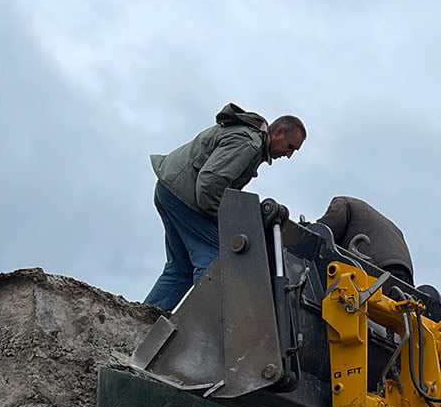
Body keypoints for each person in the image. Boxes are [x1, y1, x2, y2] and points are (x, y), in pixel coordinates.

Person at [141, 104, 306, 311]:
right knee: (215, 261)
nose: (289, 155)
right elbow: (209, 185)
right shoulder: (249, 143)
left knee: (181, 268)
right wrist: (227, 223)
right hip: (185, 197)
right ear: (280, 131)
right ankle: (205, 326)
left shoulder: (251, 141)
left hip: (171, 189)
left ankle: (146, 318)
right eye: (290, 146)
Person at [317, 196, 414, 283]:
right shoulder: (390, 227)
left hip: (375, 265)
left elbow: (326, 229)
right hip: (404, 275)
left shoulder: (342, 202)